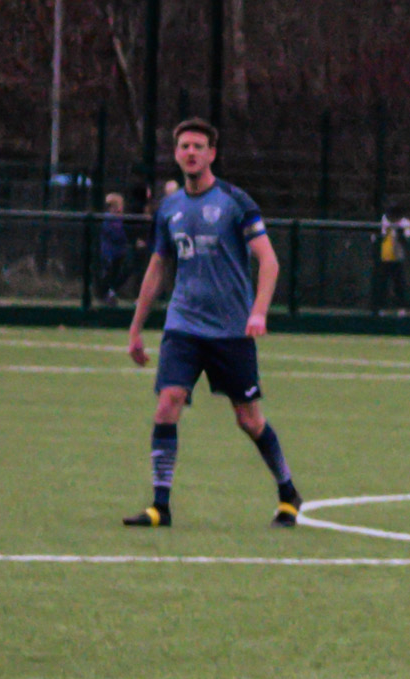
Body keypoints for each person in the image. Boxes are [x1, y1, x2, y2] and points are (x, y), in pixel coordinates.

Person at [121, 119, 299, 528]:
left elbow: (269, 260)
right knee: (168, 401)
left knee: (248, 420)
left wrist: (258, 311)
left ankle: (288, 491)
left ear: (212, 154)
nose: (190, 152)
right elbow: (157, 268)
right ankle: (160, 506)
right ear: (176, 153)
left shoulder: (236, 202)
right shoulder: (169, 209)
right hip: (183, 326)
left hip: (231, 331)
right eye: (184, 146)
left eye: (198, 146)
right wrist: (136, 328)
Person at [376, 206, 410, 313]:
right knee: (382, 283)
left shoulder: (405, 223)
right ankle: (381, 308)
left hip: (398, 258)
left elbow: (407, 241)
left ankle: (401, 308)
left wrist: (400, 233)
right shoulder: (383, 220)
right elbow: (379, 237)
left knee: (399, 283)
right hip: (384, 257)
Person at [97, 191, 134, 301]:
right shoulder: (109, 218)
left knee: (125, 270)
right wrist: (130, 239)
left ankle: (111, 291)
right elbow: (117, 234)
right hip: (111, 252)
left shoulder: (119, 218)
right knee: (110, 273)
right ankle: (105, 293)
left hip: (120, 251)